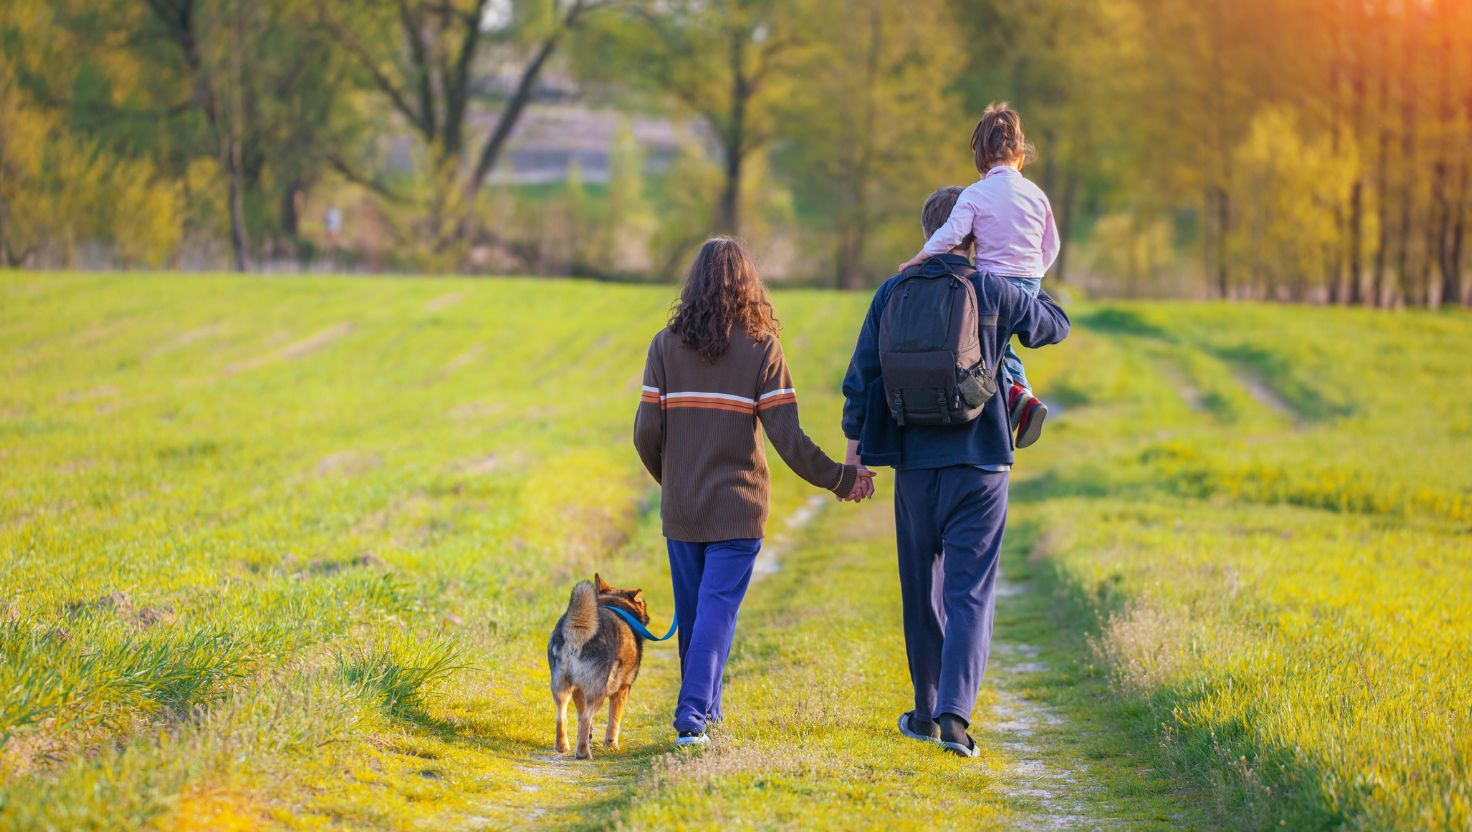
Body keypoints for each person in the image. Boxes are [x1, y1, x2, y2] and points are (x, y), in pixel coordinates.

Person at [842, 186, 1070, 757]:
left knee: (921, 591)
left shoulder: (891, 292)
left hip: (915, 466)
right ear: (973, 233)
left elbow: (862, 378)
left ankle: (923, 710)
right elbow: (1055, 326)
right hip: (982, 464)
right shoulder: (989, 288)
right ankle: (955, 719)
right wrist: (1022, 268)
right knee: (970, 592)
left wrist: (855, 456)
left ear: (929, 233)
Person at [634, 237, 875, 748]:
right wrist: (839, 476)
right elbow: (788, 438)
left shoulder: (664, 345)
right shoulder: (763, 346)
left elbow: (645, 435)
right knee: (714, 614)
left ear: (694, 285)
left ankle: (705, 714)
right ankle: (693, 716)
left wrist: (673, 480)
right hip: (739, 509)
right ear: (749, 285)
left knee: (699, 616)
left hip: (683, 508)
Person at [897, 103, 1059, 448]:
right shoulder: (1037, 195)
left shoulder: (975, 193)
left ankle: (1017, 397)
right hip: (1029, 282)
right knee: (1003, 345)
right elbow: (1052, 243)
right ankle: (1022, 396)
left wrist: (919, 256)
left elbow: (950, 234)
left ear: (981, 158)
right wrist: (1036, 273)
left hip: (990, 283)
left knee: (987, 349)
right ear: (1020, 155)